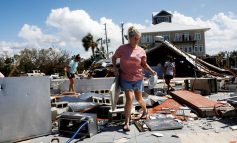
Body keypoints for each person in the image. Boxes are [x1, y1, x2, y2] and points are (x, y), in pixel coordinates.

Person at [112, 26, 156, 132]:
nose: (137, 40)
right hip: (125, 78)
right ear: (130, 38)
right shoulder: (122, 48)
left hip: (138, 78)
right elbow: (114, 58)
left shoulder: (141, 51)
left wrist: (152, 71)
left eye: (138, 38)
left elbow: (144, 64)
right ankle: (126, 122)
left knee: (139, 99)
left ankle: (145, 111)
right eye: (135, 38)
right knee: (130, 98)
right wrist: (115, 68)